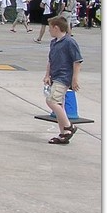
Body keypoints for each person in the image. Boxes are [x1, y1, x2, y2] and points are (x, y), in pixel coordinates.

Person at [43, 16, 83, 144]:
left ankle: (68, 126)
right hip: (55, 76)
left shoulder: (69, 42)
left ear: (56, 28)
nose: (49, 30)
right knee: (59, 105)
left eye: (50, 28)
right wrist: (47, 75)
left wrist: (74, 79)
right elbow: (50, 60)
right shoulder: (54, 42)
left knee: (52, 101)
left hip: (64, 77)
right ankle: (64, 133)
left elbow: (77, 61)